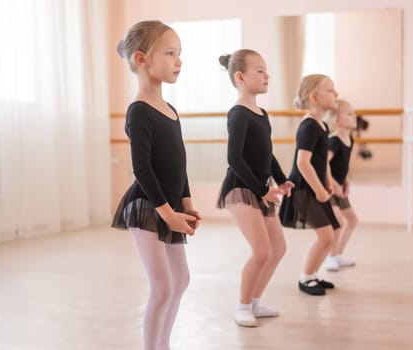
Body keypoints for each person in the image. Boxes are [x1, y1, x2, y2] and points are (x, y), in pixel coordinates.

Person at [111, 20, 200, 350]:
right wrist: (168, 212)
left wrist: (187, 204)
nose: (179, 61)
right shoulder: (139, 110)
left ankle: (162, 344)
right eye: (170, 53)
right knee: (162, 285)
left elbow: (179, 162)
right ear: (141, 59)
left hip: (171, 206)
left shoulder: (170, 110)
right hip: (148, 206)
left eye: (180, 54)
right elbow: (143, 168)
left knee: (181, 280)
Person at [217, 49, 294, 327]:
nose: (266, 75)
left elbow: (267, 154)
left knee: (278, 248)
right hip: (240, 189)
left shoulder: (261, 113)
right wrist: (262, 191)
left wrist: (281, 179)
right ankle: (242, 306)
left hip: (261, 189)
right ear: (240, 77)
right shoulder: (238, 114)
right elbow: (234, 158)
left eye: (266, 70)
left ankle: (255, 302)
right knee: (261, 250)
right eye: (259, 70)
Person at [279, 74, 340, 296]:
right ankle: (305, 278)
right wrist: (320, 190)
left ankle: (312, 275)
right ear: (314, 97)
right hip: (304, 189)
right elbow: (302, 162)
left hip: (315, 186)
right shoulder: (309, 127)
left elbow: (322, 160)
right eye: (331, 90)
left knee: (330, 234)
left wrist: (327, 181)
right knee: (326, 236)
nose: (336, 94)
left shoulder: (322, 125)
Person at [323, 99, 359, 271]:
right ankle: (330, 257)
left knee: (352, 220)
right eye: (349, 114)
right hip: (328, 187)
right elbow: (325, 164)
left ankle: (338, 254)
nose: (354, 117)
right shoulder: (334, 140)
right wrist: (333, 184)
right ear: (337, 120)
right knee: (338, 221)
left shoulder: (349, 138)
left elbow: (344, 164)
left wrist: (346, 180)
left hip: (339, 186)